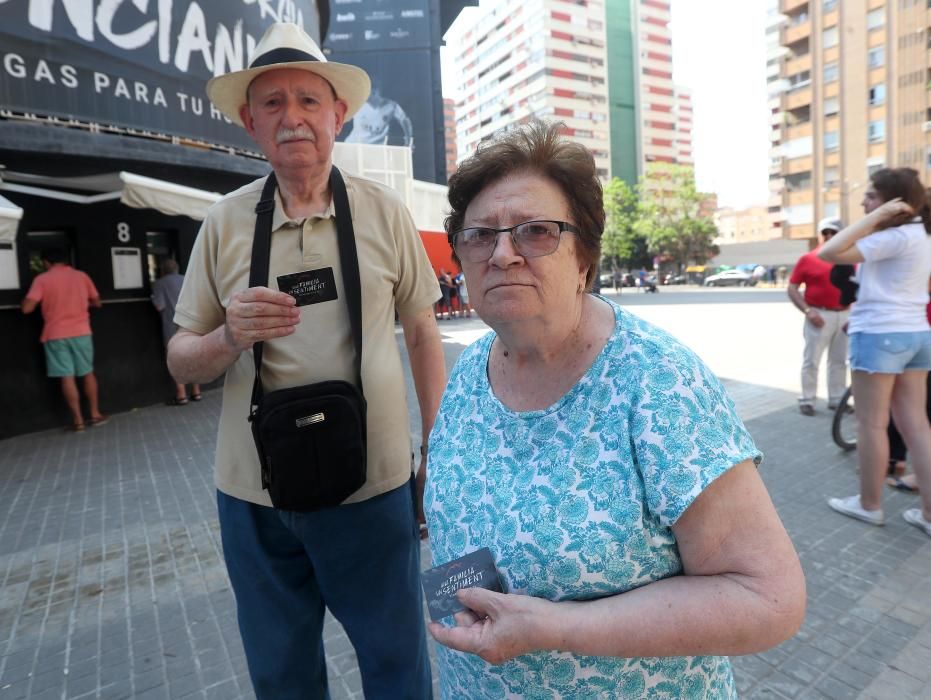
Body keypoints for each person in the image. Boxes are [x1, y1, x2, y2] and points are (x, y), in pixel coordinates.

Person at [424, 121, 806, 698]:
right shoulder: (470, 371)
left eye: (535, 232)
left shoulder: (657, 381)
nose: (502, 253)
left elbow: (768, 597)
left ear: (584, 259)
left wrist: (559, 629)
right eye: (480, 235)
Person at [166, 23, 445, 698]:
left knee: (396, 663)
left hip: (374, 488)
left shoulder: (383, 213)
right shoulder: (224, 223)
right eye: (272, 103)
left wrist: (438, 446)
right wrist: (228, 337)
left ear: (337, 115)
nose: (292, 117)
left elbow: (421, 333)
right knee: (282, 674)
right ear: (249, 122)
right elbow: (181, 362)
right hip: (255, 498)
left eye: (308, 100)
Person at [818, 167, 931, 537]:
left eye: (871, 196)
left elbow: (829, 252)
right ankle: (928, 514)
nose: (864, 202)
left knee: (871, 424)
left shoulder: (895, 236)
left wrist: (877, 218)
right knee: (916, 425)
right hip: (915, 334)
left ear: (892, 201)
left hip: (880, 334)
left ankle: (869, 505)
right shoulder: (922, 234)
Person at [21, 249, 108, 432]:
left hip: (56, 334)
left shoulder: (42, 279)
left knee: (66, 376)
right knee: (88, 372)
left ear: (46, 262)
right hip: (82, 332)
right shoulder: (81, 276)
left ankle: (78, 422)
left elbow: (27, 308)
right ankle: (95, 414)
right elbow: (97, 302)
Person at [787, 217, 849, 416]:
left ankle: (837, 399)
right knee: (812, 360)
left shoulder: (848, 257)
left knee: (839, 361)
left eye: (834, 232)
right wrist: (808, 311)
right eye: (825, 232)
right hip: (818, 314)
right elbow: (792, 288)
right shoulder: (809, 258)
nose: (829, 236)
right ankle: (807, 399)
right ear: (820, 234)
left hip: (845, 314)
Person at [151, 259, 201, 405]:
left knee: (174, 357)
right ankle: (196, 391)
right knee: (194, 355)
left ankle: (181, 394)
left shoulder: (159, 283)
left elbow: (159, 306)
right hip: (191, 323)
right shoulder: (187, 279)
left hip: (171, 325)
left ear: (162, 270)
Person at [344, 82, 414, 147]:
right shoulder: (358, 103)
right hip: (354, 146)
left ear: (375, 92)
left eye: (367, 93)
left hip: (377, 149)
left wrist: (408, 140)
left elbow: (405, 121)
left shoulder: (391, 106)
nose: (364, 96)